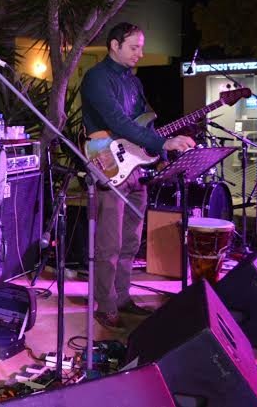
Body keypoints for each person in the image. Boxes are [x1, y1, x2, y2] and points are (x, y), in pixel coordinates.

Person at [81, 22, 194, 331]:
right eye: (134, 47)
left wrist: (164, 148)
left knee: (130, 242)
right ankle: (105, 306)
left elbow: (145, 124)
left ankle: (122, 298)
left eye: (141, 47)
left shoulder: (134, 82)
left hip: (137, 169)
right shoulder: (96, 78)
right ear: (114, 45)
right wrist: (162, 143)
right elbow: (117, 122)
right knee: (109, 244)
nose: (140, 54)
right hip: (110, 165)